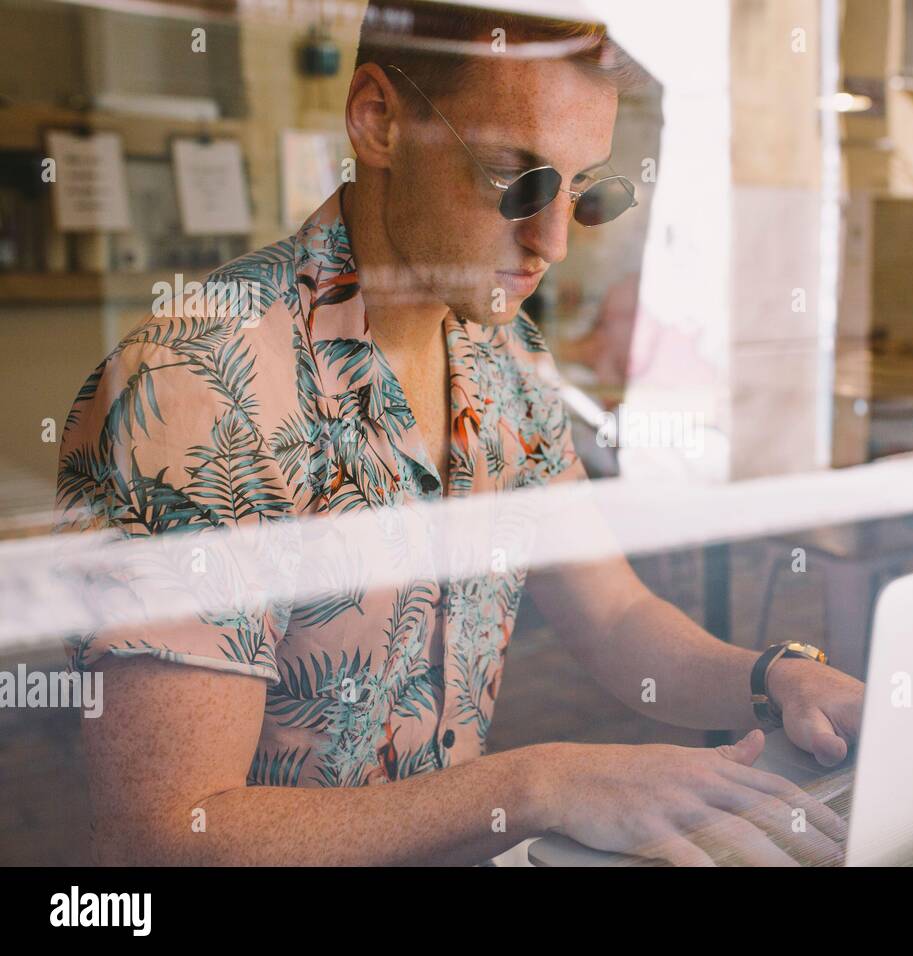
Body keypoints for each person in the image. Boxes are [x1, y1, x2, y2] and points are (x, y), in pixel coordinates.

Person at [53, 1, 862, 866]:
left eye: (582, 192)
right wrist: (537, 784)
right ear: (378, 120)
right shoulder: (200, 386)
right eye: (518, 178)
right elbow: (165, 835)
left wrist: (772, 677)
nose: (552, 241)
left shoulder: (501, 352)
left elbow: (618, 615)